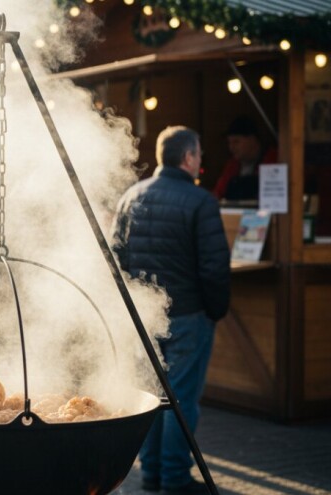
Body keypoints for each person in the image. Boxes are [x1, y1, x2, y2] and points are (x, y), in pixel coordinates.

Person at [112, 126, 230, 494]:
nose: (199, 163)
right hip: (188, 316)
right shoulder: (201, 202)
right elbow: (214, 267)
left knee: (150, 398)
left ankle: (151, 472)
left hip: (145, 318)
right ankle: (175, 477)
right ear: (188, 158)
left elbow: (117, 258)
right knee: (181, 400)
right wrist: (215, 310)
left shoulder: (132, 195)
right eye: (198, 156)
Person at [212, 115, 278, 201]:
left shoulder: (272, 159)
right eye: (229, 143)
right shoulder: (233, 165)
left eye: (236, 142)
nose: (231, 147)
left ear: (252, 140)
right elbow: (217, 194)